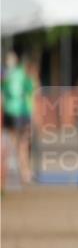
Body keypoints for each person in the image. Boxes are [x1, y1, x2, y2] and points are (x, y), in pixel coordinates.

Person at [2, 51, 36, 185]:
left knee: (18, 144)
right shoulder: (15, 75)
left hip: (16, 113)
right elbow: (31, 89)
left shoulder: (8, 75)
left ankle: (22, 172)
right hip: (19, 113)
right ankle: (24, 172)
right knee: (21, 144)